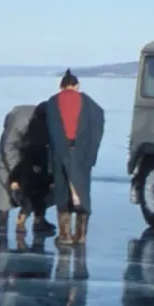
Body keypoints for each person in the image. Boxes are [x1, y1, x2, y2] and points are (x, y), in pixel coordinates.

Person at [40, 69, 105, 248]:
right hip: (82, 153)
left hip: (60, 151)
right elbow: (98, 124)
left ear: (61, 86)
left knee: (62, 192)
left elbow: (46, 130)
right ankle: (82, 235)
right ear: (77, 86)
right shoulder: (90, 104)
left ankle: (65, 235)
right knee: (83, 192)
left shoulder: (52, 103)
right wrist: (91, 154)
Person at [0, 102, 54, 241]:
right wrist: (19, 172)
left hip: (36, 148)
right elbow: (7, 147)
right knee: (6, 177)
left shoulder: (52, 122)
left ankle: (39, 219)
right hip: (13, 145)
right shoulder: (19, 121)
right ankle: (2, 220)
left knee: (44, 180)